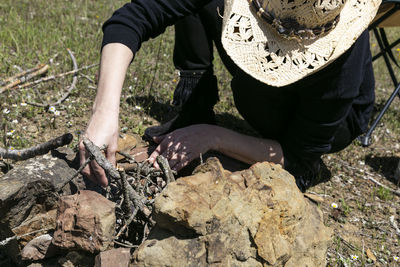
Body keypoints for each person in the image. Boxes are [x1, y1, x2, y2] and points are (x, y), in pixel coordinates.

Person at [79, 0, 381, 192]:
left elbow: (300, 157)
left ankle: (220, 131)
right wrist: (104, 112)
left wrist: (215, 137)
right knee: (200, 5)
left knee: (250, 97)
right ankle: (192, 106)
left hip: (332, 121)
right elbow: (134, 17)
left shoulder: (342, 58)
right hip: (261, 83)